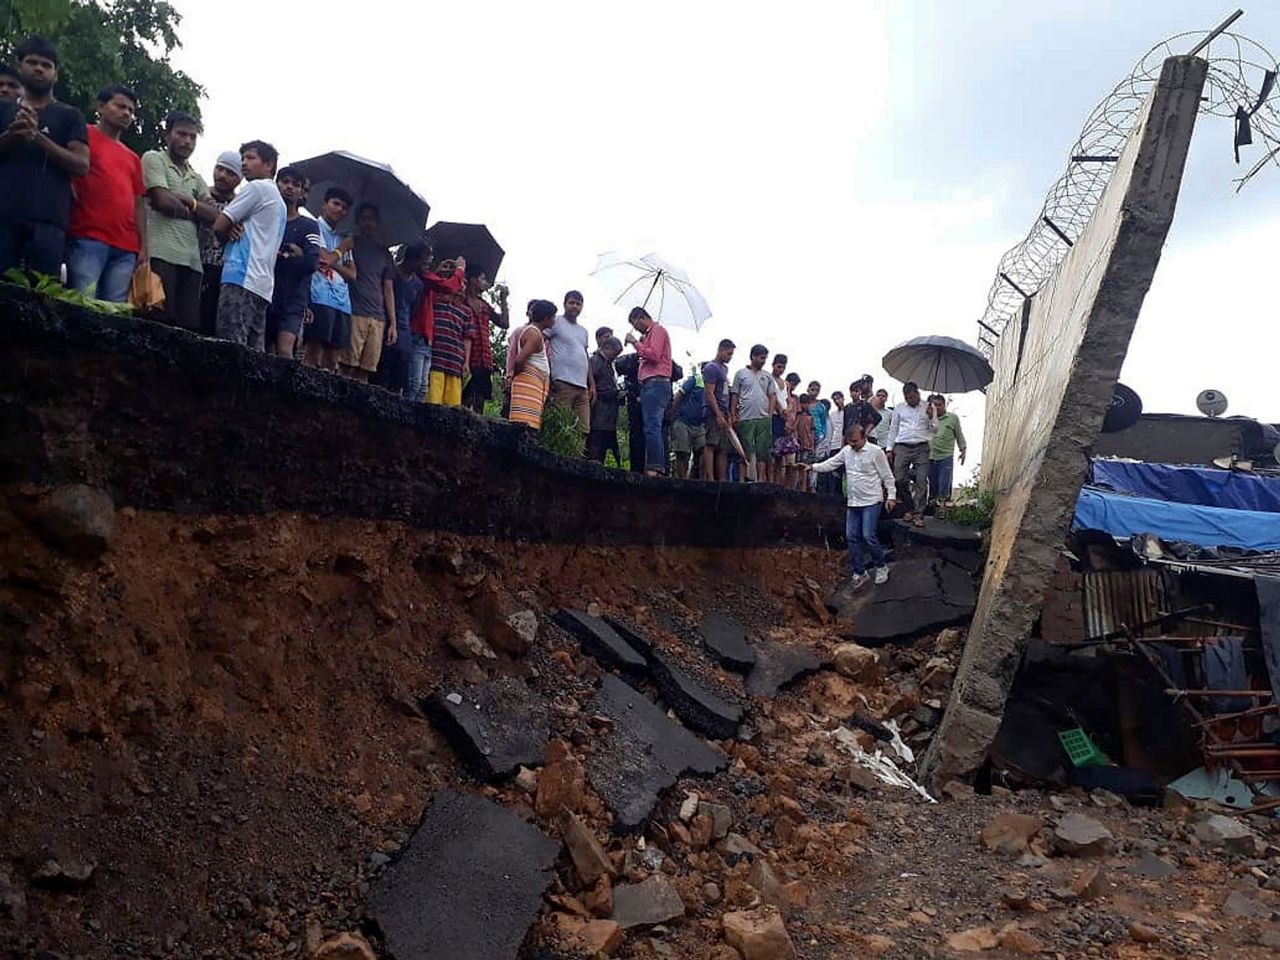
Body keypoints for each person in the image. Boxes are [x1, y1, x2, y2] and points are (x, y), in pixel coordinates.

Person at [0, 36, 88, 277]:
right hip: (3, 216)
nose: (39, 68)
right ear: (21, 68)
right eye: (32, 62)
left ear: (55, 74)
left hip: (49, 221)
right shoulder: (3, 109)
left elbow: (81, 165)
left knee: (42, 301)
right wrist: (13, 135)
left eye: (46, 65)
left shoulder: (70, 116)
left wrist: (37, 138)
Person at [143, 112, 223, 331]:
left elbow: (215, 216)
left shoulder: (196, 177)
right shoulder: (154, 158)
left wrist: (190, 202)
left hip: (192, 261)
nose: (187, 141)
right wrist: (197, 212)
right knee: (157, 322)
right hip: (161, 254)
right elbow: (162, 201)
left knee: (187, 328)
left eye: (193, 136)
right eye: (181, 134)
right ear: (167, 134)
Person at [66, 85, 145, 302]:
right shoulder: (82, 136)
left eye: (131, 110)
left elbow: (139, 204)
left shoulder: (133, 158)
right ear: (101, 107)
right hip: (87, 236)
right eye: (120, 106)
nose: (127, 113)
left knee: (115, 312)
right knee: (83, 302)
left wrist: (143, 248)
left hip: (126, 247)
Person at [212, 140, 285, 350]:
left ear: (269, 164)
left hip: (241, 275)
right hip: (262, 285)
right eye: (243, 158)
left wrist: (227, 232)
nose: (244, 163)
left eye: (251, 158)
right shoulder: (278, 201)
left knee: (230, 346)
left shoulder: (257, 187)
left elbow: (219, 225)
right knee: (254, 353)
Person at [808, 422, 897, 589]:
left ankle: (881, 566)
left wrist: (891, 496)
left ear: (864, 437)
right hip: (854, 501)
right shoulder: (847, 451)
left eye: (855, 441)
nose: (852, 444)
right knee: (851, 537)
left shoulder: (876, 452)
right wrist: (812, 467)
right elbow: (832, 463)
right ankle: (859, 571)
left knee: (868, 534)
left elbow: (887, 476)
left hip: (872, 500)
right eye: (849, 441)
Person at [266, 164, 321, 359]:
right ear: (276, 184)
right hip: (264, 292)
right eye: (285, 182)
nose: (289, 187)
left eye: (295, 184)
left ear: (301, 192)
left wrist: (281, 257)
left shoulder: (309, 225)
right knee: (259, 348)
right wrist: (292, 254)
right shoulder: (266, 218)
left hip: (293, 300)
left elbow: (311, 264)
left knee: (284, 352)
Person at [340, 204, 397, 382]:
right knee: (346, 365)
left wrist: (392, 323)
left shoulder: (385, 254)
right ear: (358, 221)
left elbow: (388, 288)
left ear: (377, 222)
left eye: (371, 219)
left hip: (378, 316)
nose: (368, 223)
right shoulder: (350, 244)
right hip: (355, 310)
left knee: (366, 369)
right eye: (364, 218)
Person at [305, 187, 357, 371]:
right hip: (319, 296)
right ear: (324, 205)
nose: (339, 209)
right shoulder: (313, 226)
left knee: (333, 359)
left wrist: (333, 259)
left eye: (344, 207)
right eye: (335, 203)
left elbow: (352, 274)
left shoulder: (343, 237)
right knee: (313, 353)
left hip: (342, 302)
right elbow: (323, 259)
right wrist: (340, 250)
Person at [406, 248, 465, 401]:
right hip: (417, 333)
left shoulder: (425, 278)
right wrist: (459, 270)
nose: (430, 261)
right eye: (427, 258)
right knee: (415, 383)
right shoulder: (420, 277)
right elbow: (447, 287)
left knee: (423, 387)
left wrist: (439, 272)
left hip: (426, 336)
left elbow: (438, 284)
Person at [197, 151, 244, 335]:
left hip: (224, 274)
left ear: (239, 179)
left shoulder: (241, 205)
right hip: (195, 266)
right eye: (220, 169)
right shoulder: (200, 195)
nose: (222, 175)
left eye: (230, 173)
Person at [625, 306, 673, 477]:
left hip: (656, 382)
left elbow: (654, 355)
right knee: (653, 426)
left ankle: (655, 467)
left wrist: (635, 343)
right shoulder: (649, 335)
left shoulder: (658, 331)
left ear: (641, 318)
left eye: (635, 323)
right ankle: (656, 465)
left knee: (652, 426)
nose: (636, 327)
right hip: (650, 384)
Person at [545, 290, 596, 446]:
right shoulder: (556, 322)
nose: (575, 306)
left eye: (578, 303)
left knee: (583, 428)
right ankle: (556, 456)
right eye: (572, 302)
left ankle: (575, 461)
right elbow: (542, 342)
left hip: (582, 386)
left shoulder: (583, 331)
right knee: (560, 423)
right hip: (562, 381)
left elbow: (585, 356)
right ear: (565, 304)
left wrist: (592, 384)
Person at [886, 380, 938, 525]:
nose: (910, 400)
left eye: (912, 397)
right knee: (899, 479)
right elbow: (893, 429)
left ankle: (919, 514)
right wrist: (889, 449)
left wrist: (930, 417)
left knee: (921, 480)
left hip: (921, 447)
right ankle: (910, 508)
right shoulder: (899, 409)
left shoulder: (928, 407)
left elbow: (935, 429)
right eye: (907, 398)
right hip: (902, 446)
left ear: (917, 394)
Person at [426, 261, 475, 406]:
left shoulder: (466, 312)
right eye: (461, 282)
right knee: (432, 401)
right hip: (436, 359)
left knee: (452, 406)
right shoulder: (435, 302)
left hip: (455, 362)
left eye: (465, 283)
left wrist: (466, 362)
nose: (463, 287)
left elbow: (467, 338)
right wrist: (439, 270)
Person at [461, 267, 510, 413]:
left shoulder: (484, 305)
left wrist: (503, 300)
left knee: (479, 398)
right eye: (482, 279)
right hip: (466, 354)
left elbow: (504, 323)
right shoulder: (460, 300)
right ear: (472, 280)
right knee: (465, 395)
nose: (485, 283)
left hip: (484, 357)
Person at [729, 344, 779, 484]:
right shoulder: (741, 374)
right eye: (761, 358)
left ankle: (760, 479)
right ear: (753, 357)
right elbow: (735, 395)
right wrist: (733, 413)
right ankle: (741, 478)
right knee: (744, 449)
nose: (763, 361)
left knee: (762, 451)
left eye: (765, 358)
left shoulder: (767, 376)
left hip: (763, 417)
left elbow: (772, 396)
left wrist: (769, 414)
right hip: (745, 417)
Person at [383, 242, 427, 395]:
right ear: (413, 260)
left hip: (405, 334)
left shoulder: (418, 285)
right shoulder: (392, 271)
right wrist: (392, 323)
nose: (425, 266)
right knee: (382, 375)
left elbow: (413, 309)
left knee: (399, 380)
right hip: (386, 327)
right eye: (423, 262)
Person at [509, 300, 558, 429]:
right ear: (546, 318)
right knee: (524, 427)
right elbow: (519, 361)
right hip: (528, 386)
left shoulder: (535, 333)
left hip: (533, 387)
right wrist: (521, 375)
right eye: (553, 317)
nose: (554, 320)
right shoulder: (534, 334)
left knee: (528, 426)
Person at [701, 339, 736, 482]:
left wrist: (727, 413)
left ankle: (721, 478)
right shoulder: (711, 368)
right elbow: (709, 393)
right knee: (711, 443)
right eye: (728, 354)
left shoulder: (724, 369)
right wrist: (717, 414)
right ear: (721, 350)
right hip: (713, 410)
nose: (730, 357)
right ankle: (709, 477)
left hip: (724, 409)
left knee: (723, 447)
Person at [588, 335, 623, 463]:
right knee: (596, 438)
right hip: (599, 409)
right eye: (614, 354)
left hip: (609, 411)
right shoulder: (596, 361)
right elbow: (591, 380)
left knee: (604, 440)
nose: (615, 357)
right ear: (607, 348)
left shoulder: (608, 365)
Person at [928, 394, 967, 504]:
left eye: (940, 405)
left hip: (946, 456)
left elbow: (959, 435)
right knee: (933, 484)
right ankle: (933, 508)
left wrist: (963, 451)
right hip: (930, 456)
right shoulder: (928, 418)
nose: (937, 407)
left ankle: (943, 506)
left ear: (944, 405)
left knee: (944, 484)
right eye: (935, 405)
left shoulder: (952, 418)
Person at [670, 367, 707, 479]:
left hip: (700, 423)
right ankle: (682, 479)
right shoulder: (695, 380)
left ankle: (702, 479)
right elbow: (680, 395)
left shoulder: (714, 384)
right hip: (683, 420)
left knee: (704, 450)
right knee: (682, 453)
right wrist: (672, 413)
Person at [774, 372, 804, 490]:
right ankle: (778, 485)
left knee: (791, 463)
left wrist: (793, 427)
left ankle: (789, 487)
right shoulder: (781, 395)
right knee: (778, 459)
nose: (793, 386)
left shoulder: (795, 399)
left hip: (791, 433)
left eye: (795, 385)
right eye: (792, 383)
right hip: (781, 428)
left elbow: (798, 415)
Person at [796, 393, 818, 491]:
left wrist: (812, 445)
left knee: (806, 468)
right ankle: (800, 487)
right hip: (798, 445)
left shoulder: (810, 417)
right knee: (798, 467)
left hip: (808, 445)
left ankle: (805, 489)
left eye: (806, 403)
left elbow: (812, 432)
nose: (804, 406)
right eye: (802, 403)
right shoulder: (798, 416)